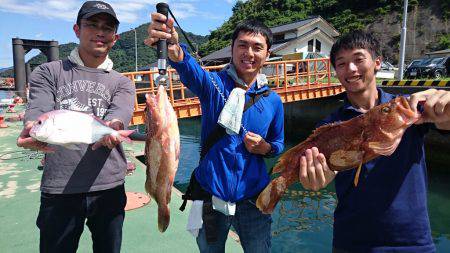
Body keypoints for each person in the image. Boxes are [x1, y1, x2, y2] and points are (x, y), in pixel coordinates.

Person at [298, 30, 450, 252]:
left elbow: (445, 120)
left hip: (413, 242)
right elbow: (325, 171)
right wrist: (314, 180)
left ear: (377, 62)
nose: (351, 69)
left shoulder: (405, 108)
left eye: (359, 59)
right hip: (352, 242)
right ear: (336, 71)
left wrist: (445, 103)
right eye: (341, 63)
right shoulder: (329, 126)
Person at [146, 14, 284, 253]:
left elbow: (279, 143)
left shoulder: (273, 101)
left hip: (254, 199)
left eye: (257, 47)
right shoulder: (213, 84)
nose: (248, 53)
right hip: (210, 196)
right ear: (232, 49)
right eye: (242, 45)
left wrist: (266, 148)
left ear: (267, 54)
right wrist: (174, 47)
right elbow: (188, 69)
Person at [16, 1, 135, 252]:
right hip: (59, 187)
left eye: (107, 27)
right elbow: (38, 109)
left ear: (116, 37)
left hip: (109, 187)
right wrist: (31, 126)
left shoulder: (122, 82)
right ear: (76, 29)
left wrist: (113, 128)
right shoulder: (48, 71)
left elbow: (119, 115)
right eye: (92, 24)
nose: (100, 32)